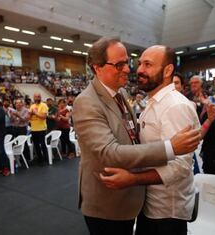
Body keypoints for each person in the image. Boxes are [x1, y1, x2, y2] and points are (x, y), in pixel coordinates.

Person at [72, 37, 201, 235]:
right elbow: (109, 151)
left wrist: (133, 179)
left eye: (129, 63)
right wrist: (170, 147)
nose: (130, 69)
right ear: (98, 68)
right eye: (120, 64)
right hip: (109, 203)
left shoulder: (172, 105)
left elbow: (180, 167)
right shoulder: (88, 102)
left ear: (167, 70)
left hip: (158, 206)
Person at [29, 93, 49, 164]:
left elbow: (44, 117)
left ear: (40, 97)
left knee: (43, 144)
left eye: (38, 97)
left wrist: (36, 113)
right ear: (33, 98)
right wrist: (31, 114)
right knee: (36, 145)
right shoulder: (32, 106)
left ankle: (46, 159)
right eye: (36, 97)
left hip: (41, 128)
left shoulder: (44, 105)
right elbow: (29, 118)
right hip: (33, 128)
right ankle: (40, 159)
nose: (37, 98)